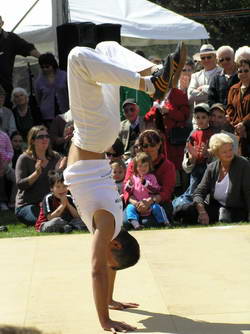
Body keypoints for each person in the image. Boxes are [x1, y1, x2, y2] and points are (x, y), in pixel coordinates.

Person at [63, 41, 185, 332]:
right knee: (78, 57)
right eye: (111, 257)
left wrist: (111, 299)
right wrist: (105, 320)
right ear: (114, 244)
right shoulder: (105, 225)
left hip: (102, 134)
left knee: (105, 49)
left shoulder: (115, 224)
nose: (107, 264)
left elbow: (109, 267)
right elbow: (98, 269)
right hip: (91, 138)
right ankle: (151, 82)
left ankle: (154, 76)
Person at [124, 129, 176, 224]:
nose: (149, 148)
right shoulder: (133, 164)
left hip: (158, 204)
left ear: (159, 144)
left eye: (152, 144)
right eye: (145, 145)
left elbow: (167, 192)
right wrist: (136, 204)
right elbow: (126, 188)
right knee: (126, 222)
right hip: (136, 203)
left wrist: (150, 201)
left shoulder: (168, 166)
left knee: (146, 222)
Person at [15, 125, 61, 226]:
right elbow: (20, 184)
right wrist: (37, 173)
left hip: (49, 204)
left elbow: (60, 184)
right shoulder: (24, 158)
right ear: (32, 141)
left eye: (47, 136)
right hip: (27, 205)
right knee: (42, 221)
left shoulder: (55, 157)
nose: (45, 139)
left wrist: (61, 171)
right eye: (40, 137)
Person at [173, 103, 216, 209]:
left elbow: (216, 148)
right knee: (193, 189)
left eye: (203, 117)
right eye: (197, 117)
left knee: (208, 189)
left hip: (209, 167)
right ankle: (184, 207)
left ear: (209, 118)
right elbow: (188, 149)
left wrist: (209, 152)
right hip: (196, 167)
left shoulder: (213, 133)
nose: (200, 120)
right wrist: (191, 157)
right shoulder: (193, 133)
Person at [0, 16, 40, 108]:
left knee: (6, 114)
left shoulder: (10, 38)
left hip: (5, 89)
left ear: (2, 23)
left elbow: (27, 48)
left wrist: (42, 57)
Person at [124, 152, 169, 229]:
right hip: (137, 204)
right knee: (129, 208)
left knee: (157, 208)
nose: (143, 168)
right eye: (140, 166)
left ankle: (165, 222)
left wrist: (145, 183)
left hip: (149, 203)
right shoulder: (133, 178)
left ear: (149, 166)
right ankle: (136, 225)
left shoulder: (152, 177)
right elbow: (127, 191)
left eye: (145, 166)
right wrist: (130, 184)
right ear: (136, 167)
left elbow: (155, 190)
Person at [35, 53, 69, 128]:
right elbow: (38, 98)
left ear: (53, 64)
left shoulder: (64, 75)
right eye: (42, 67)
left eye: (47, 66)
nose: (45, 69)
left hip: (64, 111)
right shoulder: (39, 81)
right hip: (48, 115)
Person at [226, 57, 250, 157]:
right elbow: (229, 108)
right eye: (240, 71)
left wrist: (244, 124)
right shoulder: (233, 89)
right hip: (237, 132)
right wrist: (237, 125)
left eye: (246, 71)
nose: (243, 73)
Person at [188, 44, 222, 109]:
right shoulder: (195, 76)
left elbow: (221, 94)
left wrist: (204, 88)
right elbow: (190, 97)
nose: (206, 60)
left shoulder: (222, 72)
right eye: (203, 58)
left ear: (215, 57)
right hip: (199, 116)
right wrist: (212, 92)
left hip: (215, 116)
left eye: (209, 57)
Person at [0, 114, 14, 210]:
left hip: (5, 164)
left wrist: (5, 162)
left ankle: (11, 201)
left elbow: (10, 151)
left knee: (17, 178)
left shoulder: (4, 136)